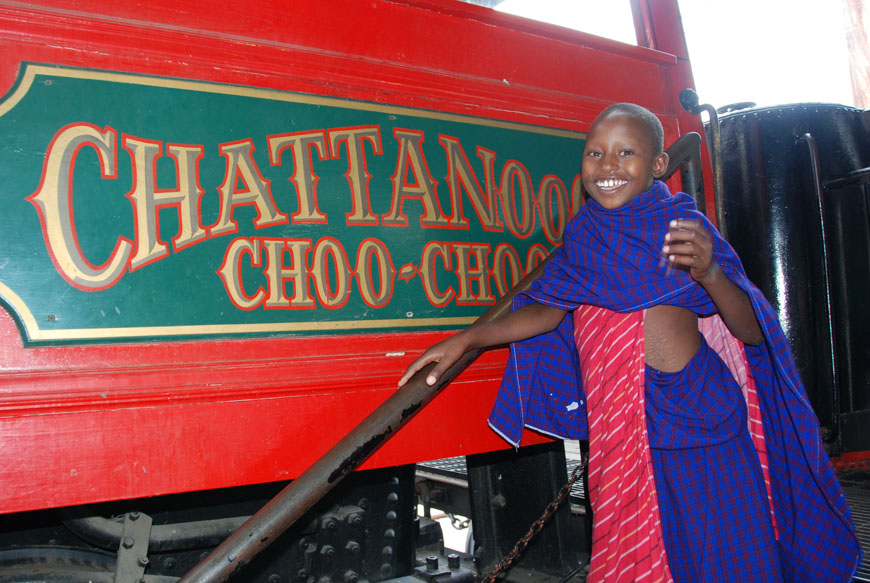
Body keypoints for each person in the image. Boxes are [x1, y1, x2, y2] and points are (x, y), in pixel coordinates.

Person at [399, 103, 861, 583]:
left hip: (702, 416)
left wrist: (712, 274)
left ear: (659, 165)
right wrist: (469, 339)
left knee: (728, 554)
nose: (608, 165)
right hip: (627, 423)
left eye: (626, 152)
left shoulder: (683, 230)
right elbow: (548, 310)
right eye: (595, 152)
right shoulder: (584, 237)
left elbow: (750, 330)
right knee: (662, 554)